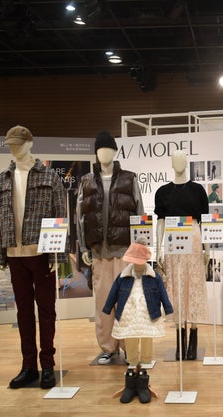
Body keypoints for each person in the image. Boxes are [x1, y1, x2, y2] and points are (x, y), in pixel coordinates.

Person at [0, 125, 68, 389]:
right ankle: (28, 366)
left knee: (46, 310)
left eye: (19, 143)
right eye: (11, 144)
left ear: (30, 143)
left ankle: (48, 364)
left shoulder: (49, 177)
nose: (14, 148)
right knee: (23, 312)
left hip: (41, 252)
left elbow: (60, 215)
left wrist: (58, 254)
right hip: (15, 254)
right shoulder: (1, 180)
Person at [77, 130, 144, 365]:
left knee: (126, 300)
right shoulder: (86, 181)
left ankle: (128, 347)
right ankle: (108, 347)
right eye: (99, 150)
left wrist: (139, 249)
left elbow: (139, 214)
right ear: (95, 153)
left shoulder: (129, 178)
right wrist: (83, 248)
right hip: (99, 251)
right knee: (104, 302)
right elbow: (80, 217)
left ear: (115, 152)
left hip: (123, 250)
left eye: (107, 149)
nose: (103, 153)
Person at [102, 238, 173, 403]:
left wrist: (168, 309)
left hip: (149, 314)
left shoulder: (154, 277)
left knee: (147, 339)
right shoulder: (123, 277)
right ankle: (131, 379)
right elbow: (113, 292)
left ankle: (143, 381)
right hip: (128, 314)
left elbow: (163, 293)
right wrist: (107, 308)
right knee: (130, 339)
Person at [154, 150, 209, 361]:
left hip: (193, 240)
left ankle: (193, 336)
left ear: (186, 161)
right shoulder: (163, 192)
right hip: (172, 241)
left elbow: (204, 222)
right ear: (171, 163)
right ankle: (179, 338)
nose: (178, 162)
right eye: (175, 159)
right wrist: (158, 249)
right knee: (176, 286)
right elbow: (160, 222)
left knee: (193, 284)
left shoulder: (197, 190)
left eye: (181, 158)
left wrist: (207, 248)